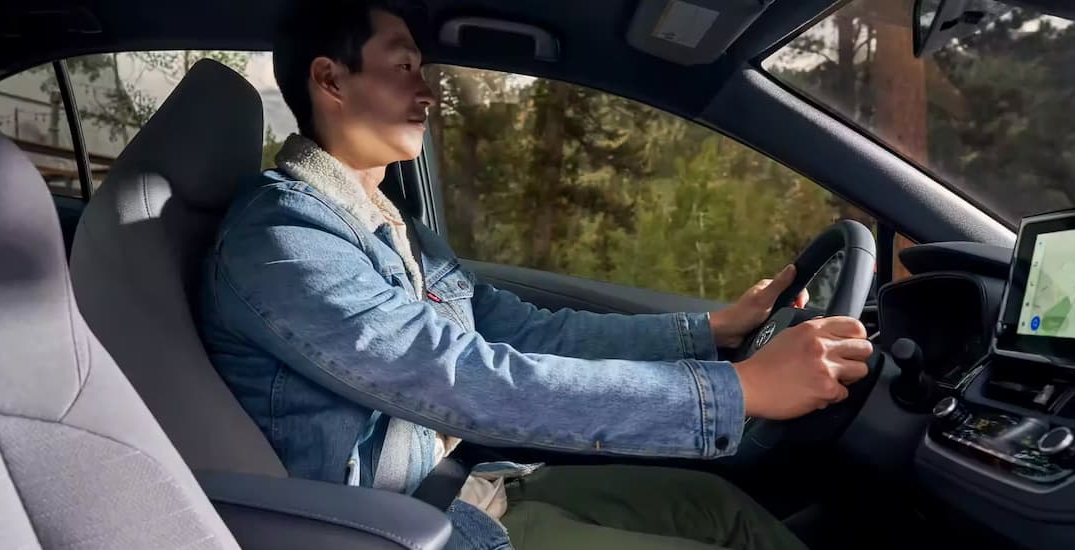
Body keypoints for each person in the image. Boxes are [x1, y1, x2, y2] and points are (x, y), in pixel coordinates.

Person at [198, 1, 874, 548]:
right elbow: (463, 379)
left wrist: (710, 331)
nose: (427, 91)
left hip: (470, 485)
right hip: (406, 530)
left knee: (716, 507)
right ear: (330, 80)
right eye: (403, 66)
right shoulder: (282, 240)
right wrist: (738, 390)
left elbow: (519, 330)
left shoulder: (391, 225)